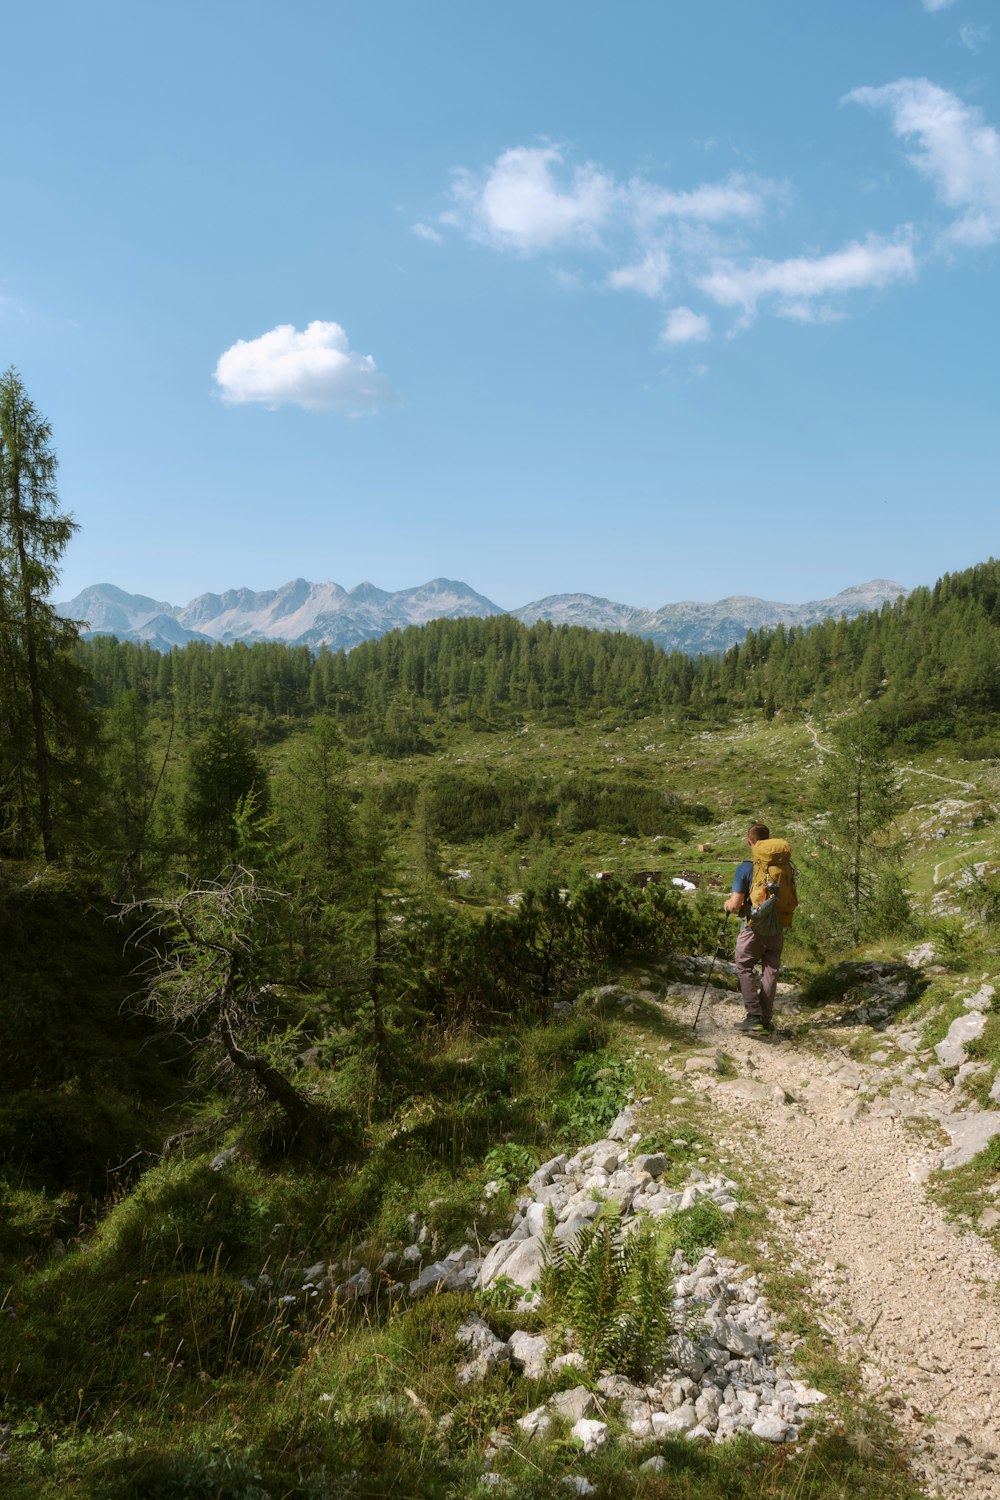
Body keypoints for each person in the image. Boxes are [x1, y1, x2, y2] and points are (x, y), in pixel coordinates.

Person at [724, 822, 784, 1036]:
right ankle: (766, 1019)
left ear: (750, 841)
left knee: (743, 965)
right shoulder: (782, 866)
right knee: (771, 970)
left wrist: (727, 906)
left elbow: (736, 904)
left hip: (753, 927)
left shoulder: (745, 868)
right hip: (777, 928)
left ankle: (753, 1016)